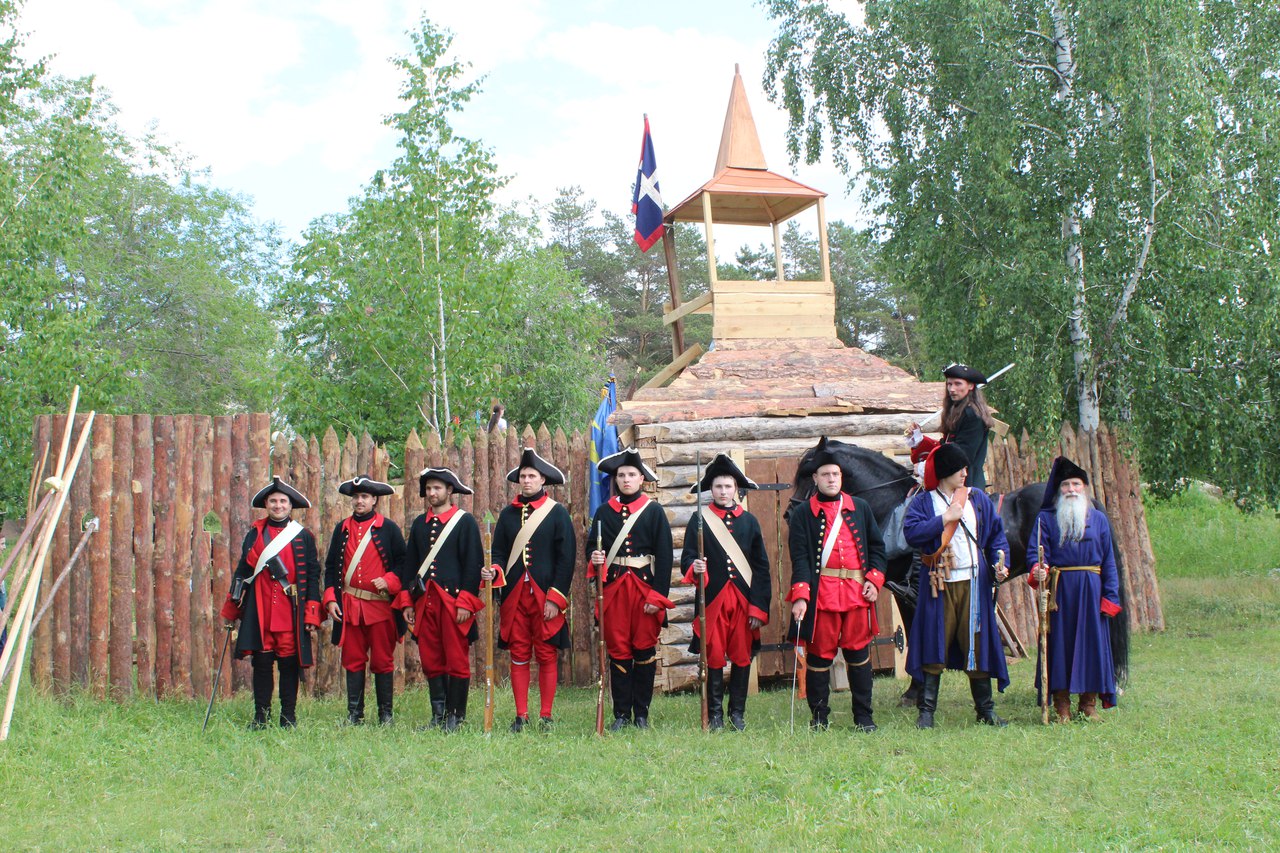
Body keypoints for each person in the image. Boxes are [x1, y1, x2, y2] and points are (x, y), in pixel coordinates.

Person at [903, 443, 1011, 728]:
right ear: (945, 472)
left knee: (978, 645)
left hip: (974, 583)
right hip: (939, 585)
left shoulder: (977, 499)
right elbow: (911, 533)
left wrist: (1002, 564)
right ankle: (926, 714)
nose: (965, 473)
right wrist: (944, 520)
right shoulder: (925, 503)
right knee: (932, 645)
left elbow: (996, 536)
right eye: (959, 469)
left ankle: (985, 710)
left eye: (965, 468)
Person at [787, 437, 888, 732]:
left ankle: (864, 718)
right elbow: (801, 559)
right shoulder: (803, 514)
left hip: (857, 593)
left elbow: (878, 549)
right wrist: (801, 596)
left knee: (859, 656)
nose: (831, 479)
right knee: (819, 657)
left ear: (841, 477)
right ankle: (819, 719)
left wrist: (874, 579)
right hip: (824, 596)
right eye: (825, 475)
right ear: (815, 479)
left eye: (836, 474)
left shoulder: (860, 507)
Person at [219, 477, 322, 728]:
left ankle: (288, 717)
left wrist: (311, 614)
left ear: (290, 505)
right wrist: (231, 610)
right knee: (262, 663)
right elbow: (243, 571)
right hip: (261, 608)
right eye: (273, 501)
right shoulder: (255, 532)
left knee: (289, 664)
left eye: (283, 501)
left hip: (290, 609)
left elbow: (312, 575)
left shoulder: (303, 537)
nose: (278, 505)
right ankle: (260, 717)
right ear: (266, 503)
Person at [486, 449, 577, 732]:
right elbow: (499, 552)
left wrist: (555, 597)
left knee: (547, 654)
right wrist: (496, 571)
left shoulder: (557, 514)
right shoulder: (507, 515)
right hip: (515, 595)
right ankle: (521, 715)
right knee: (519, 653)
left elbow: (566, 558)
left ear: (542, 480)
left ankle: (546, 715)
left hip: (544, 594)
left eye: (532, 476)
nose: (526, 481)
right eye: (523, 476)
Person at [1027, 456, 1122, 722]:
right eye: (1066, 484)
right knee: (1060, 646)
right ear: (1059, 489)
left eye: (1076, 484)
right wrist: (1038, 569)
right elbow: (1035, 554)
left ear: (1085, 488)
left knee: (1092, 645)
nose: (1071, 489)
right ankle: (1062, 706)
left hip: (1091, 591)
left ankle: (1088, 704)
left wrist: (1110, 597)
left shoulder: (1099, 520)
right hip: (1061, 592)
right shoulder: (1045, 519)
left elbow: (1109, 561)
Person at [681, 454, 771, 731]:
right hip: (713, 600)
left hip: (743, 601)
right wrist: (694, 566)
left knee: (742, 656)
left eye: (728, 486)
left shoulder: (749, 522)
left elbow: (761, 568)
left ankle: (738, 714)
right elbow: (687, 557)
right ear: (712, 489)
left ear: (736, 489)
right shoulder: (699, 519)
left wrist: (758, 607)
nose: (723, 491)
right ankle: (716, 715)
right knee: (715, 656)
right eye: (718, 486)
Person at [587, 447, 674, 730]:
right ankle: (621, 714)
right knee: (619, 651)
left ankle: (642, 715)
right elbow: (592, 548)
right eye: (621, 475)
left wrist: (658, 597)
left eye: (631, 475)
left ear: (641, 479)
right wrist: (595, 558)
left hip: (643, 589)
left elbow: (664, 557)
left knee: (644, 651)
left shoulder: (654, 512)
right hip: (614, 591)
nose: (626, 479)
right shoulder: (603, 512)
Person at [323, 475, 408, 726]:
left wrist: (390, 581)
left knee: (382, 660)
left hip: (380, 606)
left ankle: (385, 716)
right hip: (349, 605)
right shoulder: (342, 528)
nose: (360, 501)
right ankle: (354, 715)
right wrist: (331, 599)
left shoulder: (389, 528)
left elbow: (404, 563)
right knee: (352, 659)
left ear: (374, 500)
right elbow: (330, 568)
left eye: (365, 497)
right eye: (356, 497)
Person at [404, 468, 484, 732]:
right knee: (431, 659)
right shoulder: (419, 524)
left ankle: (455, 717)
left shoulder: (465, 522)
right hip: (425, 602)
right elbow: (410, 566)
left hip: (453, 602)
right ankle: (438, 716)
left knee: (456, 659)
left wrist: (465, 602)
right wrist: (407, 603)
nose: (431, 493)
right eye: (428, 489)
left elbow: (473, 565)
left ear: (449, 491)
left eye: (437, 488)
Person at [906, 363, 995, 491]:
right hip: (950, 483)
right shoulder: (957, 412)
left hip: (966, 486)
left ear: (970, 386)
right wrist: (920, 440)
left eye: (958, 384)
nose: (952, 389)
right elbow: (945, 447)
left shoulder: (973, 416)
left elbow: (962, 455)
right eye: (949, 384)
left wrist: (925, 467)